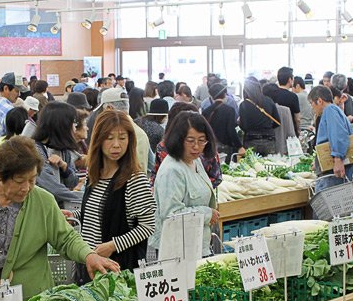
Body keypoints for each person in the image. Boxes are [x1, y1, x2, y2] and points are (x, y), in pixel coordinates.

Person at [0, 136, 119, 299]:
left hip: (28, 297)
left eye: (33, 180)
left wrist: (89, 255)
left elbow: (66, 238)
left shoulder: (43, 201)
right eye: (20, 181)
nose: (27, 188)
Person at [72, 110, 156, 284]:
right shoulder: (94, 173)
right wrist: (74, 217)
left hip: (118, 270)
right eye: (109, 138)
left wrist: (113, 245)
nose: (116, 145)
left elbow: (147, 226)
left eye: (122, 138)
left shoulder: (135, 178)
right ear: (98, 140)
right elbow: (95, 213)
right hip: (90, 264)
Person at [151, 112, 219, 257]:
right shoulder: (172, 170)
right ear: (178, 139)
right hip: (177, 250)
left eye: (202, 140)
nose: (196, 147)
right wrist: (206, 214)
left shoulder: (195, 161)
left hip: (196, 244)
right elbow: (171, 215)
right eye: (190, 140)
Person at [32, 101, 82, 205]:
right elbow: (54, 189)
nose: (74, 128)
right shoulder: (35, 152)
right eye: (73, 123)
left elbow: (73, 182)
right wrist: (86, 198)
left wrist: (65, 168)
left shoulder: (64, 150)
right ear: (61, 125)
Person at [308, 85, 353, 191]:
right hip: (332, 170)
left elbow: (338, 134)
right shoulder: (335, 111)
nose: (311, 107)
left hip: (332, 173)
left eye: (311, 103)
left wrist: (338, 159)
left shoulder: (330, 110)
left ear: (319, 101)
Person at [239, 78, 280, 155]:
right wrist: (266, 127)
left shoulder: (244, 104)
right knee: (270, 165)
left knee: (252, 165)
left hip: (251, 140)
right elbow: (277, 121)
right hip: (269, 139)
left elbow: (244, 126)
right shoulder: (269, 100)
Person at [202, 83, 242, 163]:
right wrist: (239, 146)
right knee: (225, 170)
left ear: (211, 96)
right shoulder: (229, 110)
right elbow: (231, 130)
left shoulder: (206, 111)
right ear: (224, 94)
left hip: (210, 146)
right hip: (225, 146)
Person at [271, 67, 300, 135]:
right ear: (290, 79)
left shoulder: (272, 94)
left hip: (275, 131)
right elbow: (297, 119)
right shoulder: (293, 96)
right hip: (290, 131)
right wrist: (298, 131)